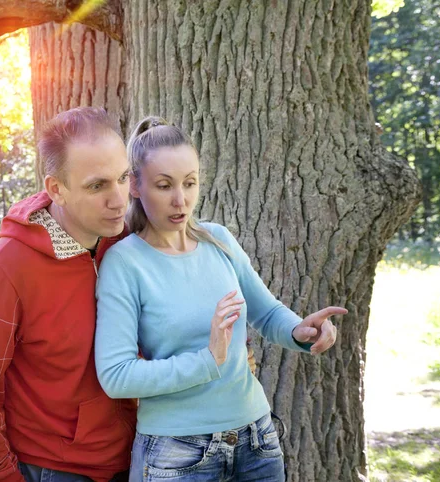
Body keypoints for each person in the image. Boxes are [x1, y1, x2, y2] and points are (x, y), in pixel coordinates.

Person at [94, 117, 347, 482]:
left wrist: (299, 329)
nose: (181, 200)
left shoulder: (219, 241)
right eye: (164, 185)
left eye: (190, 183)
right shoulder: (124, 262)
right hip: (176, 455)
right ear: (135, 184)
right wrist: (207, 360)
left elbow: (266, 312)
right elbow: (117, 377)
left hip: (256, 442)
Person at [0, 107, 137, 482]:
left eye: (123, 177)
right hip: (55, 468)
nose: (119, 200)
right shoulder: (6, 269)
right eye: (97, 185)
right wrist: (3, 477)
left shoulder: (127, 243)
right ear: (57, 189)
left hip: (135, 457)